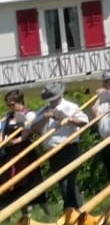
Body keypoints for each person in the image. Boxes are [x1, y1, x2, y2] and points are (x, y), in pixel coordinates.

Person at [31, 83, 88, 214]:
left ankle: (76, 209)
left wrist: (64, 118)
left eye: (54, 98)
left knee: (70, 180)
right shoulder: (42, 111)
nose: (52, 101)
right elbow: (34, 130)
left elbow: (84, 122)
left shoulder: (70, 107)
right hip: (52, 150)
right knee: (61, 180)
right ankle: (69, 209)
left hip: (68, 146)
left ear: (60, 95)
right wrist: (45, 119)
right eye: (50, 98)